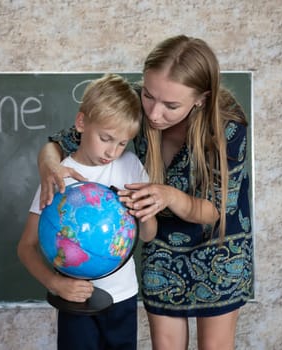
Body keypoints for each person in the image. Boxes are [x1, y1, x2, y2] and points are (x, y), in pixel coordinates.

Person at [37, 35, 253, 350]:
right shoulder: (134, 106)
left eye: (171, 105)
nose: (153, 113)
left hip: (219, 250)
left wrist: (169, 196)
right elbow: (61, 142)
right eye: (149, 95)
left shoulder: (228, 129)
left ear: (201, 99)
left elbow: (214, 210)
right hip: (161, 246)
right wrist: (48, 166)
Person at [17, 73, 157, 350]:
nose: (113, 151)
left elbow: (150, 235)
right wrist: (56, 284)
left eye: (121, 142)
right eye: (106, 138)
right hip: (76, 298)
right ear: (81, 123)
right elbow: (26, 247)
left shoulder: (130, 165)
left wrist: (144, 212)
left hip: (124, 296)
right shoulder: (59, 176)